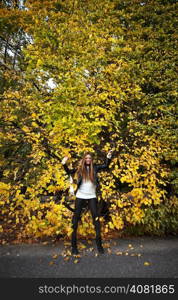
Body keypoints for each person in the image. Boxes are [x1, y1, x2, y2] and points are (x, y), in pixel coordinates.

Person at [61, 149, 113, 255]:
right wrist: (64, 164)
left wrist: (108, 157)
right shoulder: (80, 169)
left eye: (90, 158)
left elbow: (106, 166)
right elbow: (68, 172)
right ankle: (74, 247)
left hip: (92, 196)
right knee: (75, 221)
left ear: (91, 160)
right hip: (80, 196)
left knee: (96, 220)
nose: (88, 159)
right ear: (84, 159)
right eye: (86, 158)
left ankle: (99, 245)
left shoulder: (95, 168)